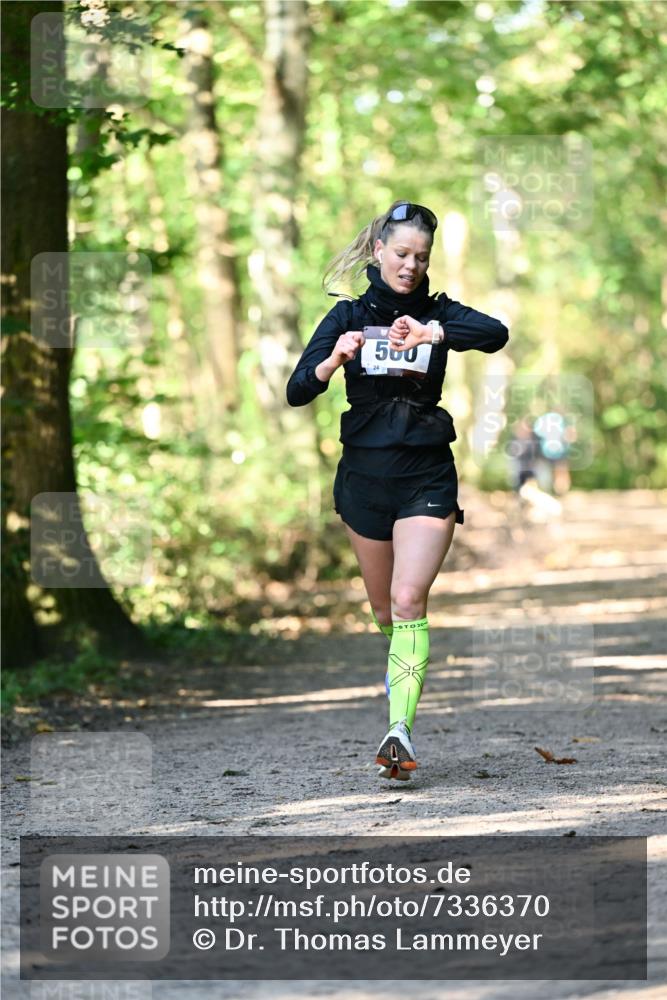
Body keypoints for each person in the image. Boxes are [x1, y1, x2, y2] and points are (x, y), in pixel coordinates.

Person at [286, 201, 509, 780]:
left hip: (426, 473)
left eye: (421, 257)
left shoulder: (439, 314)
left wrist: (432, 333)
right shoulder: (348, 316)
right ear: (379, 251)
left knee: (411, 600)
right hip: (364, 477)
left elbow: (495, 333)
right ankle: (403, 669)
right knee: (387, 611)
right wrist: (335, 359)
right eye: (402, 253)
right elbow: (296, 390)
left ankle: (398, 731)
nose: (410, 265)